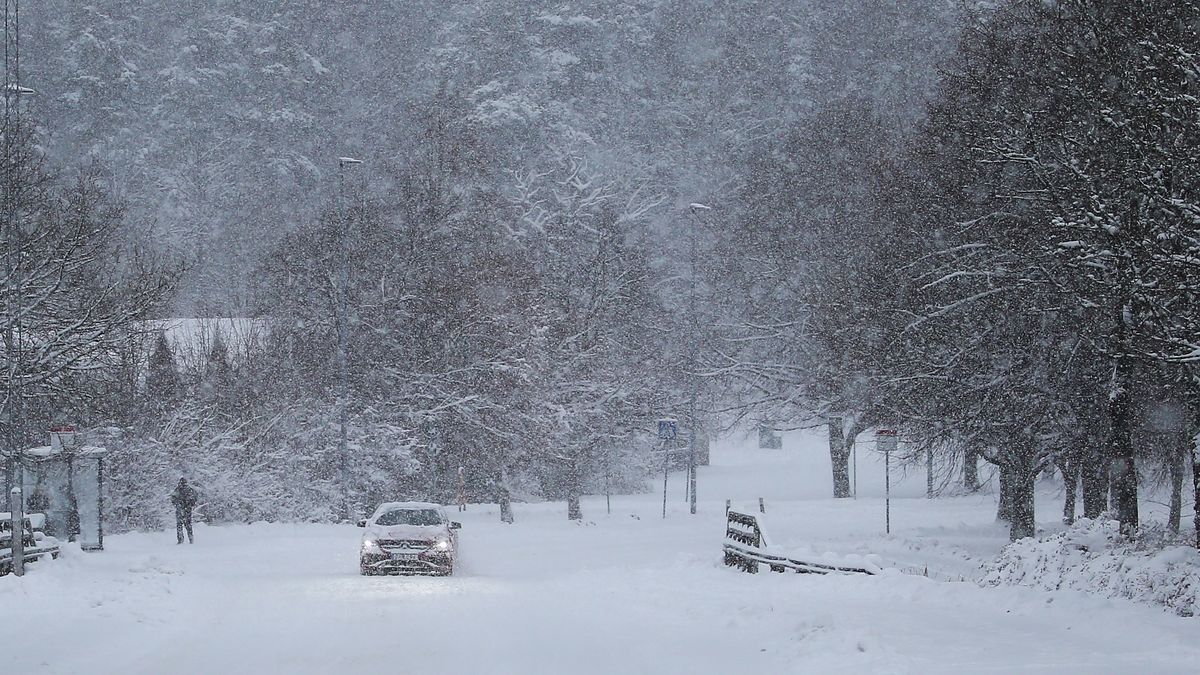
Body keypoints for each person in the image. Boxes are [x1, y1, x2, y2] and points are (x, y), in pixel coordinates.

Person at [170, 477, 199, 544]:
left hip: (180, 509)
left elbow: (173, 498)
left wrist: (177, 504)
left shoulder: (178, 489)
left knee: (179, 525)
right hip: (187, 510)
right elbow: (195, 497)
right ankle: (191, 539)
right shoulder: (190, 490)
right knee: (188, 525)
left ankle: (181, 540)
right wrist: (190, 504)